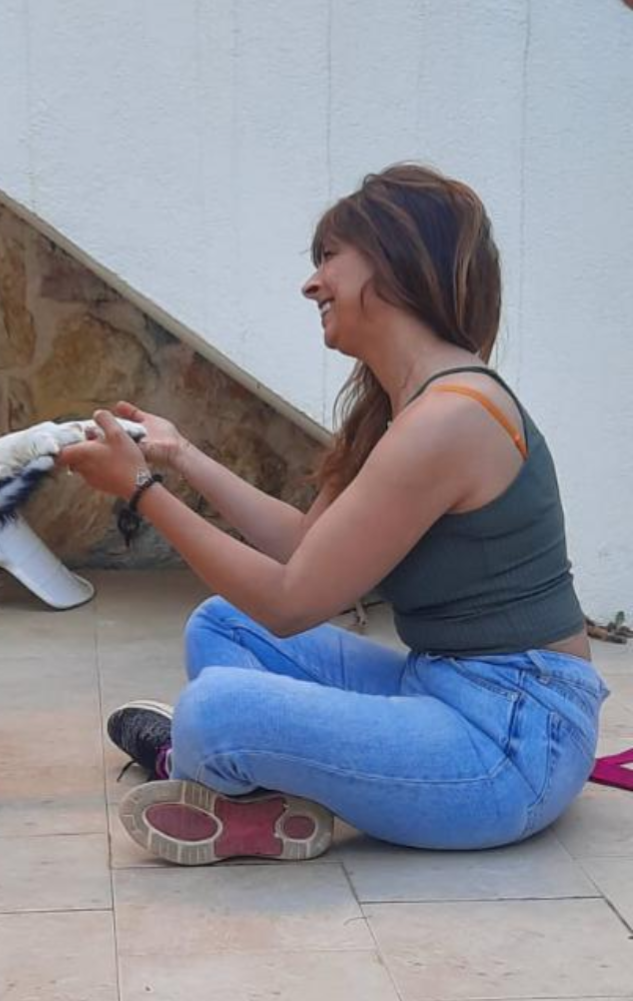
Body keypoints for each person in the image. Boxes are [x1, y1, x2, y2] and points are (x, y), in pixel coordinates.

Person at [57, 164, 608, 866]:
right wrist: (180, 455)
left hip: (513, 743)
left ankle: (199, 763)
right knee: (223, 624)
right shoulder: (404, 408)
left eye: (328, 258)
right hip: (439, 687)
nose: (311, 283)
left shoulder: (450, 419)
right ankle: (258, 798)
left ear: (395, 260)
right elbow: (307, 548)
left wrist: (140, 492)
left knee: (214, 712)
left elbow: (293, 602)